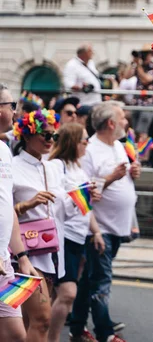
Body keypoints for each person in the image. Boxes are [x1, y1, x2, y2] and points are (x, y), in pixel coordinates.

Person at [70, 101, 140, 342]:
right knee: (102, 281)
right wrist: (111, 178)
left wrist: (132, 173)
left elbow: (124, 177)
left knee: (90, 278)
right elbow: (82, 192)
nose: (125, 122)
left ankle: (77, 327)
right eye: (122, 118)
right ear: (111, 123)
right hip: (99, 229)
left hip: (118, 227)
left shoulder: (119, 146)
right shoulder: (89, 150)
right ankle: (105, 334)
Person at [12, 108, 67, 342]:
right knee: (42, 319)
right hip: (26, 252)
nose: (49, 140)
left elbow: (63, 208)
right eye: (44, 134)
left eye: (53, 135)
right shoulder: (11, 166)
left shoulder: (55, 166)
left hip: (54, 250)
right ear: (26, 135)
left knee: (29, 322)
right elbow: (4, 213)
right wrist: (27, 204)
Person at [47, 122, 104, 342]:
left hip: (79, 237)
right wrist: (82, 194)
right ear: (72, 142)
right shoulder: (56, 166)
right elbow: (58, 201)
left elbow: (85, 206)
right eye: (84, 140)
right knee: (68, 293)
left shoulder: (78, 168)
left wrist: (96, 232)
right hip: (63, 236)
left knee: (56, 294)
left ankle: (40, 334)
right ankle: (49, 338)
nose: (87, 144)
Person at [0, 84, 29, 342]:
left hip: (4, 263)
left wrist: (21, 256)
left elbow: (7, 207)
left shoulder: (4, 150)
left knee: (16, 335)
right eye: (11, 106)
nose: (15, 112)